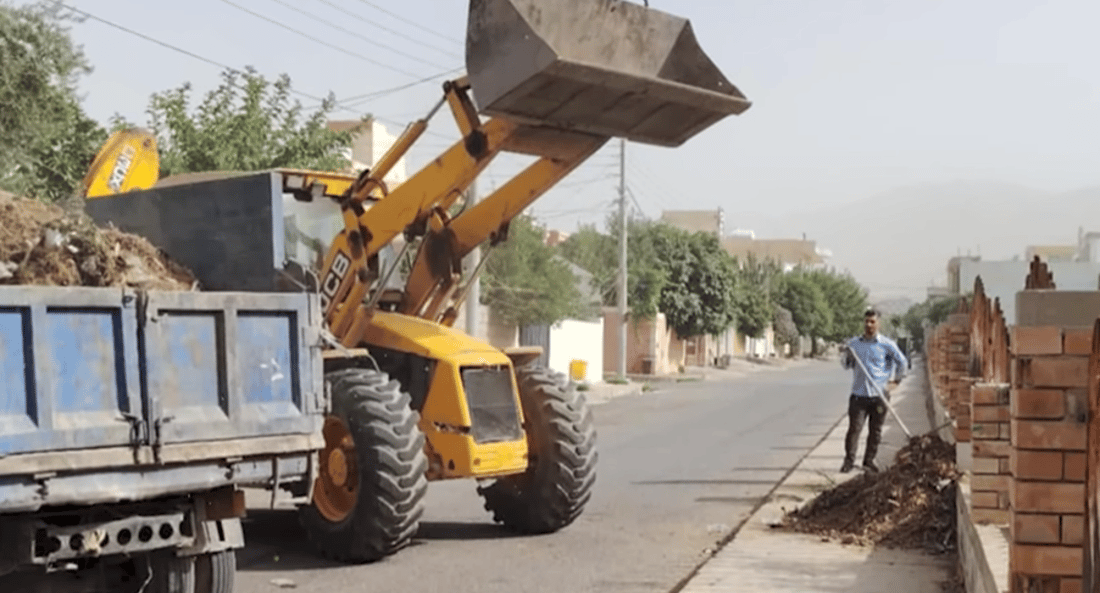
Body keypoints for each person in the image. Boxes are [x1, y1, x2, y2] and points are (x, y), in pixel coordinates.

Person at [838, 308, 908, 473]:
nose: (869, 325)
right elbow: (845, 365)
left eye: (872, 322)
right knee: (854, 429)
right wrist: (846, 355)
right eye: (866, 321)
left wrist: (895, 381)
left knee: (875, 430)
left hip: (879, 396)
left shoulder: (887, 344)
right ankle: (849, 461)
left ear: (878, 323)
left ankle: (869, 461)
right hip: (859, 396)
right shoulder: (854, 344)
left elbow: (902, 362)